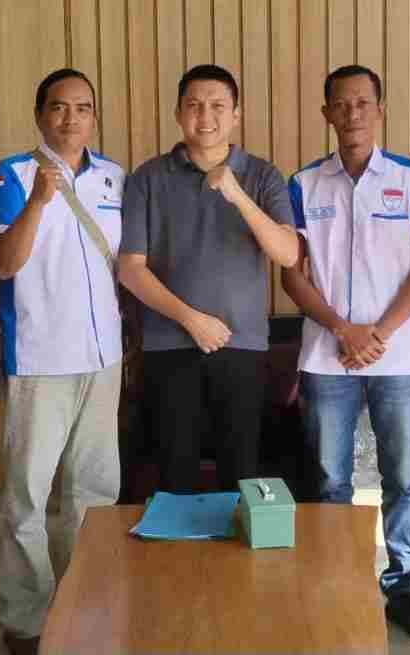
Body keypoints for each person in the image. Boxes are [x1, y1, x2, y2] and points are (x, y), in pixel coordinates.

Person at [281, 65, 410, 645]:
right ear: (326, 113)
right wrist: (341, 329)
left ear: (379, 110)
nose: (352, 113)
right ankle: (339, 584)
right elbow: (292, 273)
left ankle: (403, 589)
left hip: (395, 359)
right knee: (331, 480)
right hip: (326, 358)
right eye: (341, 104)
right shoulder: (303, 184)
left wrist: (377, 333)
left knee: (402, 477)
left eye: (363, 103)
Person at [0, 68, 124, 655]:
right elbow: (3, 265)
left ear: (94, 117)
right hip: (39, 359)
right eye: (59, 107)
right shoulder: (11, 175)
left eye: (83, 108)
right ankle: (26, 622)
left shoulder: (114, 177)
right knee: (27, 500)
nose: (71, 118)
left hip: (103, 358)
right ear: (40, 115)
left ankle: (87, 604)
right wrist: (39, 202)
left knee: (95, 494)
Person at [119, 65, 297, 492]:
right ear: (178, 113)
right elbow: (130, 268)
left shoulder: (262, 175)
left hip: (243, 346)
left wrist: (237, 194)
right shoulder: (148, 177)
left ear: (235, 114)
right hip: (167, 347)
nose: (205, 116)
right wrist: (192, 320)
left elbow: (288, 253)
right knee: (174, 477)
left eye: (218, 106)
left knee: (242, 478)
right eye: (194, 105)